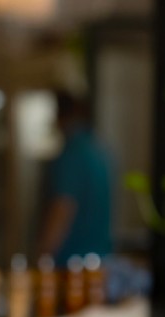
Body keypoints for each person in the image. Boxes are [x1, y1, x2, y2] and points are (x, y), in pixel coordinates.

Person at [36, 90, 114, 267]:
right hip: (101, 261)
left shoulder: (72, 155)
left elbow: (62, 208)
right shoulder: (100, 150)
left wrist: (43, 255)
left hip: (72, 265)